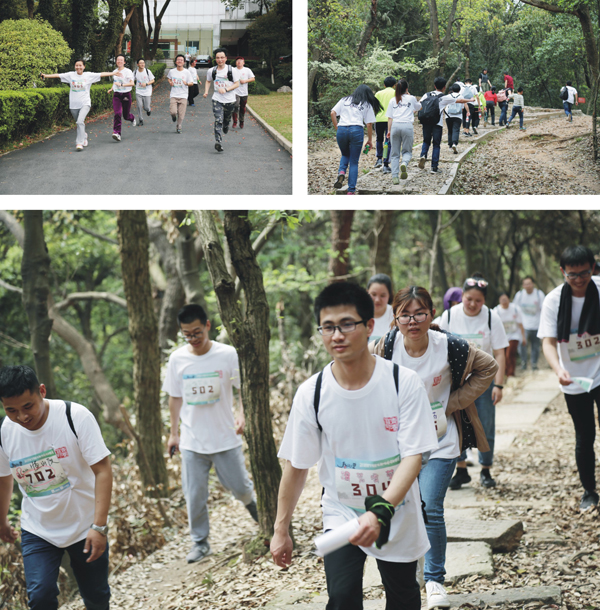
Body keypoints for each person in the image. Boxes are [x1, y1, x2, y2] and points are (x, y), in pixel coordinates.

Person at [270, 282, 438, 610]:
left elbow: (413, 457)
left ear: (370, 325)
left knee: (403, 597)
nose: (337, 335)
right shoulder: (312, 393)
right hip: (341, 511)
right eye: (328, 327)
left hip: (397, 511)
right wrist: (281, 529)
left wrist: (381, 510)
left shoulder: (402, 383)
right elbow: (297, 464)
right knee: (343, 597)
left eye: (347, 324)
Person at [370, 286, 497, 610]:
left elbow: (488, 368)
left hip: (441, 441)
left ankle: (435, 579)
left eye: (420, 313)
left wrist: (452, 403)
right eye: (405, 315)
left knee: (430, 507)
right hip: (398, 445)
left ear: (431, 314)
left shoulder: (449, 345)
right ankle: (406, 576)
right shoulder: (385, 347)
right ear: (395, 318)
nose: (413, 321)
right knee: (399, 508)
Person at [0, 365, 112, 610]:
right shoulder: (4, 432)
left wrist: (99, 526)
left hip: (84, 525)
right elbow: (4, 477)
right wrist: (2, 520)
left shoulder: (75, 416)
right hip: (38, 528)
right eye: (11, 410)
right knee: (40, 598)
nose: (22, 417)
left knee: (96, 596)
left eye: (28, 406)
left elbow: (103, 470)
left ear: (42, 391)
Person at [163, 304, 258, 563]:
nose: (193, 339)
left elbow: (243, 388)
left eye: (197, 332)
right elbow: (174, 397)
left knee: (240, 488)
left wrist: (243, 414)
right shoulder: (178, 359)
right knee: (194, 496)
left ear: (207, 325)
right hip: (193, 440)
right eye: (187, 335)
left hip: (225, 436)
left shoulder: (227, 355)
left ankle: (256, 509)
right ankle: (200, 543)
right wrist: (174, 434)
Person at [537, 246, 600, 511]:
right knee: (584, 436)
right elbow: (548, 343)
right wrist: (558, 369)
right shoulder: (553, 300)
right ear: (563, 272)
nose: (578, 279)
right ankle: (589, 491)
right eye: (572, 274)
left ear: (593, 269)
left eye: (584, 272)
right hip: (574, 378)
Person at [439, 274, 508, 489]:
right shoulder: (449, 316)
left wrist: (498, 384)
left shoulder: (491, 318)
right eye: (468, 299)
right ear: (462, 296)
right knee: (455, 426)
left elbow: (499, 353)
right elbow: (437, 347)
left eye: (478, 300)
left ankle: (486, 470)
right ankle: (461, 469)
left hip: (483, 382)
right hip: (455, 383)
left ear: (484, 300)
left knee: (486, 424)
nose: (472, 304)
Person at [41, 60, 116, 151]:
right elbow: (57, 75)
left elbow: (101, 74)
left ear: (84, 67)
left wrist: (113, 73)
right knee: (78, 122)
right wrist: (45, 76)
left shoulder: (88, 75)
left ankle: (79, 143)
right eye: (76, 65)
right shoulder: (70, 75)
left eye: (80, 65)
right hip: (73, 104)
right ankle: (84, 135)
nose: (78, 67)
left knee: (80, 121)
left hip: (85, 103)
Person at [330, 85, 381, 195]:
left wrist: (337, 127)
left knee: (345, 154)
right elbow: (369, 124)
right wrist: (370, 140)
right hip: (356, 130)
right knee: (354, 161)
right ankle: (351, 191)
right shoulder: (366, 104)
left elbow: (333, 113)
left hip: (342, 129)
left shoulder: (344, 100)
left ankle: (342, 172)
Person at [418, 77, 474, 173]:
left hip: (426, 122)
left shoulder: (426, 95)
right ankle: (434, 167)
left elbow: (419, 105)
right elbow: (459, 100)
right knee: (436, 144)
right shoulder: (444, 98)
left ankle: (423, 155)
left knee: (426, 141)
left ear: (434, 86)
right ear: (444, 87)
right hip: (437, 124)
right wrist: (470, 100)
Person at [204, 48, 241, 152]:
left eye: (222, 57)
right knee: (218, 120)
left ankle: (226, 125)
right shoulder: (212, 70)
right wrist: (206, 91)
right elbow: (208, 81)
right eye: (217, 58)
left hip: (230, 100)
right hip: (217, 99)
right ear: (215, 59)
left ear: (226, 58)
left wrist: (226, 89)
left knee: (226, 119)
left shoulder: (232, 70)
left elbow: (237, 84)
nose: (220, 60)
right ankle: (218, 142)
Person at [386, 78, 421, 183]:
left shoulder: (393, 100)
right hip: (407, 126)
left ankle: (395, 177)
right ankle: (404, 163)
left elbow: (390, 118)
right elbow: (419, 107)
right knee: (407, 151)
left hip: (395, 126)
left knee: (394, 153)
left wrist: (389, 130)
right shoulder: (411, 98)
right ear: (406, 88)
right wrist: (410, 96)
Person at [513, 276, 545, 371]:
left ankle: (534, 364)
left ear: (533, 284)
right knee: (522, 344)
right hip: (524, 325)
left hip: (536, 325)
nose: (527, 286)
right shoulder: (519, 295)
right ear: (523, 285)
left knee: (535, 345)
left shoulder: (539, 294)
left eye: (529, 283)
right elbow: (515, 309)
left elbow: (544, 309)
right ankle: (524, 363)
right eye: (525, 284)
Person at [494, 293, 526, 378]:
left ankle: (511, 373)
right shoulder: (496, 311)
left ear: (509, 299)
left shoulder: (515, 309)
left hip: (514, 335)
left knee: (510, 354)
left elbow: (520, 324)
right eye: (502, 300)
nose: (504, 302)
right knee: (502, 355)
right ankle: (504, 372)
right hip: (502, 336)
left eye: (505, 299)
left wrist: (523, 337)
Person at [109, 54, 136, 142]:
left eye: (121, 60)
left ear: (124, 62)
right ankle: (117, 133)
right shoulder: (114, 71)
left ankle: (132, 118)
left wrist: (122, 85)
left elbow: (132, 83)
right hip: (117, 95)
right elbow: (115, 82)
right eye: (118, 60)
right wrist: (112, 88)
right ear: (116, 61)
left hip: (126, 95)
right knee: (117, 113)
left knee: (126, 116)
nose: (119, 61)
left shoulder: (128, 71)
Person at [374, 77, 397, 173]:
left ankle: (379, 159)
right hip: (390, 120)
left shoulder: (378, 93)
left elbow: (374, 106)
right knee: (388, 141)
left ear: (384, 85)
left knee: (379, 139)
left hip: (378, 119)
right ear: (394, 85)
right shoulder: (396, 93)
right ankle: (386, 163)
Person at [167, 54, 194, 134]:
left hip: (183, 95)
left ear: (184, 62)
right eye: (178, 60)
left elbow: (191, 83)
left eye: (181, 60)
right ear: (175, 62)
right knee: (173, 112)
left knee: (181, 114)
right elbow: (169, 78)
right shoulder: (172, 71)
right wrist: (170, 82)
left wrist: (186, 84)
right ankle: (173, 117)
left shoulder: (187, 72)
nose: (179, 61)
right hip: (174, 95)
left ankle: (179, 126)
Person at [367, 273, 395, 343]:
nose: (377, 300)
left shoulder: (396, 315)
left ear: (389, 295)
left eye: (382, 296)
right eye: (373, 294)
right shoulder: (358, 314)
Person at [444, 83, 468, 155]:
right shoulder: (461, 96)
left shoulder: (448, 96)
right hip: (458, 116)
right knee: (456, 130)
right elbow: (463, 107)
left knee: (450, 130)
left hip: (448, 116)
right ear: (459, 90)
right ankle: (454, 143)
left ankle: (450, 145)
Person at [232, 56, 255, 129]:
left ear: (243, 62)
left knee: (242, 107)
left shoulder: (247, 70)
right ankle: (235, 121)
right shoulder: (233, 70)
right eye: (237, 61)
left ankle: (241, 121)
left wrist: (245, 81)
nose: (238, 62)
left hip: (244, 92)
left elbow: (253, 79)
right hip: (235, 91)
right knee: (235, 105)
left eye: (240, 60)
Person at [133, 58, 155, 126]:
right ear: (137, 64)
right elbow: (131, 80)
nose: (142, 64)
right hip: (138, 91)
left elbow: (153, 80)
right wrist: (133, 84)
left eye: (143, 63)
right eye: (141, 63)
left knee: (146, 107)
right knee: (139, 106)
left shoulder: (148, 71)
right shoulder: (135, 72)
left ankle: (148, 110)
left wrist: (146, 84)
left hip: (147, 92)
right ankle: (140, 120)